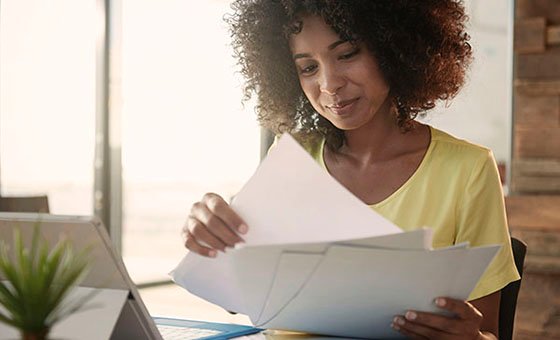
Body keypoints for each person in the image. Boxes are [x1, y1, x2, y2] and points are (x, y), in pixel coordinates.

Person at [183, 1, 520, 339]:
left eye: (347, 54)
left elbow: (487, 332)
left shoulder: (468, 171)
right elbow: (243, 295)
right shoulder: (292, 156)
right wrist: (212, 237)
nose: (329, 85)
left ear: (395, 47)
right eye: (308, 68)